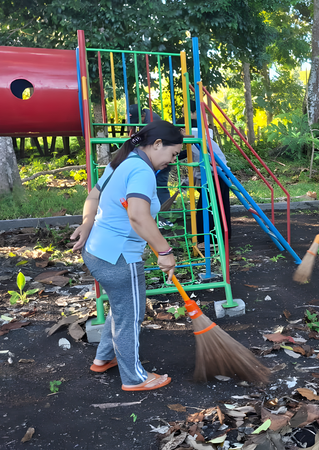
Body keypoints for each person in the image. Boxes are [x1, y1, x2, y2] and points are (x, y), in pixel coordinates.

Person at [70, 120, 183, 391]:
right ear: (157, 144)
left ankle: (103, 358)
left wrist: (88, 224)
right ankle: (134, 378)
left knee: (122, 308)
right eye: (173, 153)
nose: (172, 160)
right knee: (130, 317)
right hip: (119, 257)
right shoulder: (141, 170)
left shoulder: (122, 162)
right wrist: (165, 251)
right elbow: (138, 216)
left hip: (98, 252)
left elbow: (94, 196)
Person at [176, 118, 232, 248]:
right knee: (216, 208)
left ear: (184, 129)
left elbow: (204, 165)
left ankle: (210, 241)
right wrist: (187, 181)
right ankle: (216, 239)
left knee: (208, 210)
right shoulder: (200, 140)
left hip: (215, 177)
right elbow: (198, 166)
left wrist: (190, 180)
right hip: (216, 176)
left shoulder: (197, 141)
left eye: (179, 130)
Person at [129, 105, 172, 225]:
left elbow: (149, 142)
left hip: (162, 158)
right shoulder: (146, 116)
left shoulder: (151, 121)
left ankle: (162, 218)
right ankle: (155, 218)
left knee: (160, 185)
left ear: (142, 116)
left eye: (137, 121)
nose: (136, 124)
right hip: (156, 157)